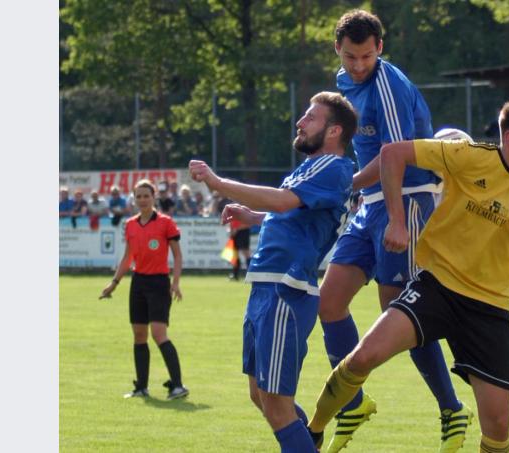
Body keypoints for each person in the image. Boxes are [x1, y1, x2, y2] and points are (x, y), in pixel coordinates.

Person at [307, 97, 509, 453]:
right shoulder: (468, 156)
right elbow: (392, 153)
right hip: (437, 287)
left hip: (489, 307)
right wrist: (397, 220)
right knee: (363, 357)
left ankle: (451, 410)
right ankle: (312, 432)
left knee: (498, 426)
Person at [315, 9, 470, 453]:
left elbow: (394, 157)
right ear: (337, 49)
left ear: (380, 48)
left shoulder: (388, 86)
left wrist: (398, 220)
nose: (358, 65)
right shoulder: (342, 83)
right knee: (329, 302)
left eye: (366, 56)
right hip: (372, 204)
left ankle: (451, 408)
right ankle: (353, 404)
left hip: (408, 198)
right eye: (350, 56)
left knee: (400, 314)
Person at [190, 91, 357, 453]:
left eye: (310, 117)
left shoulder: (332, 165)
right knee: (261, 395)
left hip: (286, 289)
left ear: (334, 131)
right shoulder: (316, 168)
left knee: (277, 404)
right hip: (267, 286)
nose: (300, 122)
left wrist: (217, 182)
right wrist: (255, 217)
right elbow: (295, 213)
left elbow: (283, 202)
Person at [98, 179, 188, 400]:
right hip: (138, 283)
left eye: (146, 195)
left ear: (154, 197)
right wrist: (114, 283)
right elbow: (127, 257)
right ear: (134, 199)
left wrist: (175, 282)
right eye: (138, 196)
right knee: (139, 335)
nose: (142, 200)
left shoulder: (166, 222)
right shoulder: (130, 224)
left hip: (159, 283)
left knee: (158, 334)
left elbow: (177, 255)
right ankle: (141, 387)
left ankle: (178, 386)